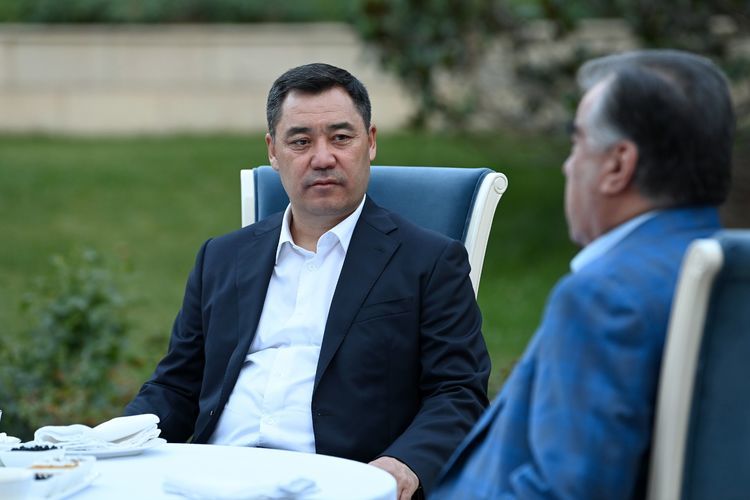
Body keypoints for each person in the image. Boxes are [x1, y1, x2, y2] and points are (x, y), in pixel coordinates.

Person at [124, 62, 490, 499]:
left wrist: (402, 465)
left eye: (341, 138)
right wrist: (108, 443)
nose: (322, 158)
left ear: (371, 142)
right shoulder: (221, 258)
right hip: (213, 477)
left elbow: (458, 393)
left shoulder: (429, 261)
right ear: (273, 151)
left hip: (340, 482)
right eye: (300, 141)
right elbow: (175, 386)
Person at [432, 49, 734, 499]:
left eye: (577, 143)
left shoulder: (605, 297)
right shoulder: (728, 276)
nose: (568, 165)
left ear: (617, 166)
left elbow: (566, 491)